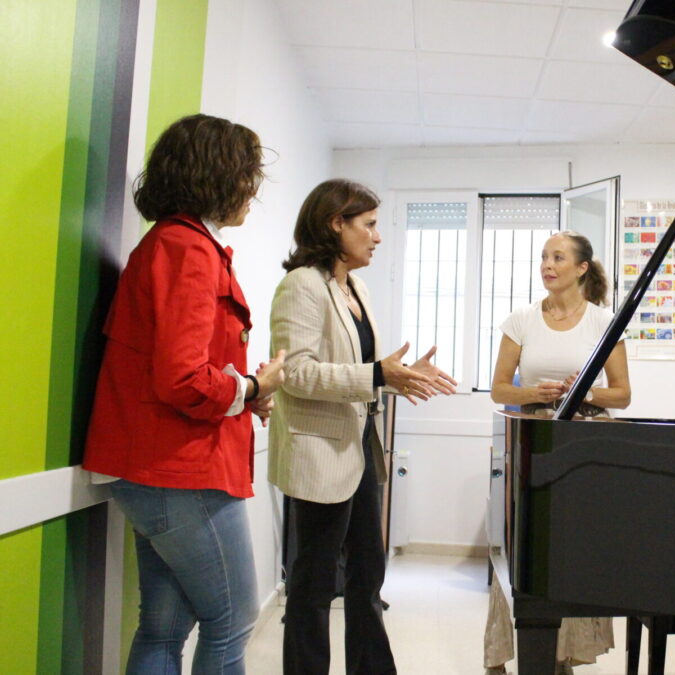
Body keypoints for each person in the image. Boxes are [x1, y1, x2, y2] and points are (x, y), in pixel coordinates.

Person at [82, 114, 286, 674]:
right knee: (232, 622)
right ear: (217, 175)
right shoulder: (187, 248)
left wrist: (245, 394)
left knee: (165, 628)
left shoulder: (172, 243)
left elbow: (177, 364)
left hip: (154, 465)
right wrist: (252, 385)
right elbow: (182, 378)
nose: (252, 191)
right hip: (179, 467)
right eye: (248, 177)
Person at [268, 179, 457, 675]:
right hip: (318, 457)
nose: (377, 237)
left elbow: (359, 369)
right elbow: (296, 374)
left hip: (358, 451)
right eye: (369, 225)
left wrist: (400, 376)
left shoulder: (355, 286)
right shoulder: (302, 285)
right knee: (312, 588)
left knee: (368, 575)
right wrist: (378, 374)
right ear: (336, 224)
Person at [485, 231, 632, 674]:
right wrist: (534, 391)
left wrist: (585, 392)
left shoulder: (603, 321)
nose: (548, 265)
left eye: (558, 257)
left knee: (572, 549)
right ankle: (515, 649)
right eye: (544, 257)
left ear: (582, 268)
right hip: (530, 443)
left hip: (584, 447)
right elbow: (499, 388)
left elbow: (622, 395)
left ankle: (563, 654)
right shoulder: (521, 320)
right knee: (522, 549)